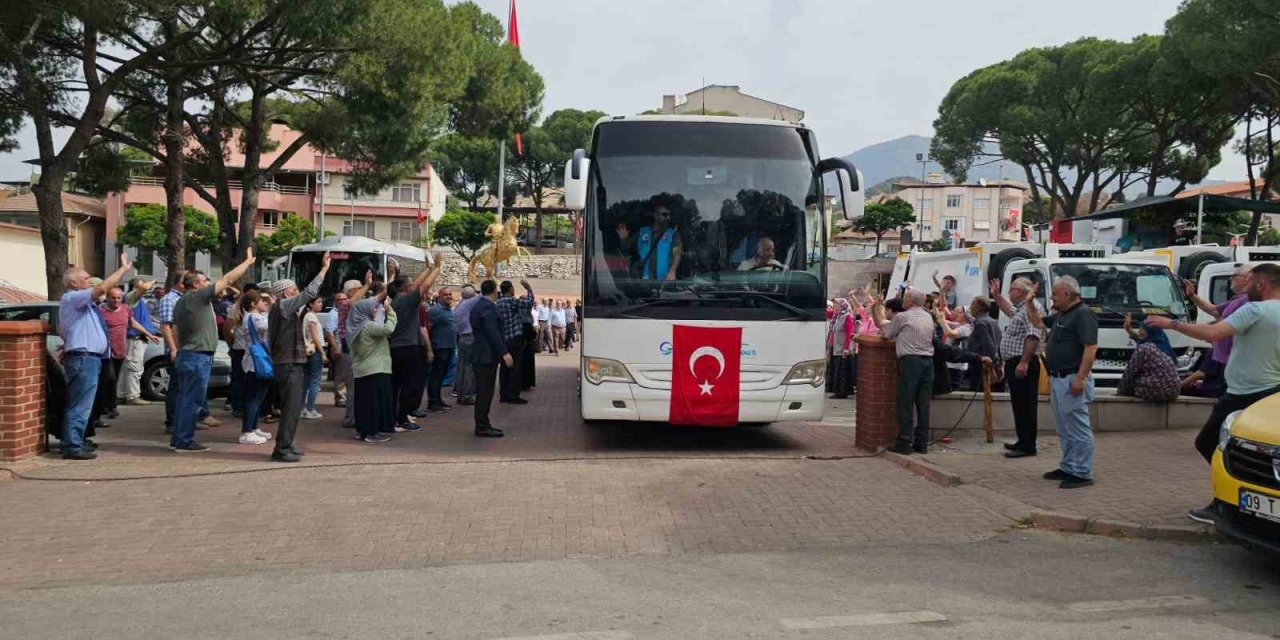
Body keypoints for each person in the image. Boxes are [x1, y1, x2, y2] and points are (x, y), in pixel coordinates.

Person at [1146, 263, 1280, 524]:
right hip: (1270, 393)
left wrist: (1171, 323)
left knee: (1208, 443)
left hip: (1244, 393)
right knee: (1259, 452)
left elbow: (1212, 333)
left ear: (1260, 284)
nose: (1243, 284)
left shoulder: (1255, 309)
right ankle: (1260, 503)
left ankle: (1225, 501)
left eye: (1248, 280)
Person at [170, 250, 256, 453]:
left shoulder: (183, 301)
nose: (208, 282)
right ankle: (184, 440)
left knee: (185, 398)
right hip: (197, 356)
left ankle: (179, 437)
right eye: (204, 280)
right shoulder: (197, 297)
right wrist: (247, 262)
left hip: (189, 354)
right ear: (197, 284)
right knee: (192, 400)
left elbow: (175, 329)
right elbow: (227, 279)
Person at [56, 254, 134, 460]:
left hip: (89, 358)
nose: (90, 281)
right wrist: (123, 270)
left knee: (84, 403)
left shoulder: (84, 304)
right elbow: (101, 289)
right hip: (84, 359)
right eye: (86, 278)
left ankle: (77, 440)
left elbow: (66, 328)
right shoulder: (73, 297)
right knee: (80, 404)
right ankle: (72, 445)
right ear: (73, 283)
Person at [1027, 276, 1099, 489]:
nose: (1051, 297)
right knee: (1064, 427)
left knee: (1077, 427)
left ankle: (1082, 471)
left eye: (1055, 294)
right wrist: (1030, 302)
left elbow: (1090, 348)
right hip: (1059, 378)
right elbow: (1037, 322)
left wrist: (1080, 378)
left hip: (1071, 378)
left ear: (1067, 294)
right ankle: (1068, 466)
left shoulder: (1083, 314)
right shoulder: (1063, 314)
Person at [265, 252, 331, 462]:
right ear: (285, 293)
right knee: (291, 407)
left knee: (293, 408)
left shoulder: (285, 309)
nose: (298, 293)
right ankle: (282, 449)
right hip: (287, 363)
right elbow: (309, 293)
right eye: (293, 290)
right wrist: (323, 269)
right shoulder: (284, 307)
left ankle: (287, 443)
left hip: (290, 362)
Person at [871, 289, 936, 455]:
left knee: (905, 403)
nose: (903, 301)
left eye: (905, 298)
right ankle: (922, 443)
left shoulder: (902, 317)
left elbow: (886, 333)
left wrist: (875, 309)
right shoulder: (928, 316)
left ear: (910, 301)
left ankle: (904, 442)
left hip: (910, 362)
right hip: (928, 362)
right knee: (923, 404)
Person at [386, 257, 443, 432]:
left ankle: (393, 417)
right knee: (411, 385)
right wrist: (437, 269)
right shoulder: (406, 300)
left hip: (397, 348)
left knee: (396, 385)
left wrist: (428, 268)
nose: (413, 285)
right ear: (405, 288)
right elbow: (423, 286)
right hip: (408, 348)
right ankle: (402, 418)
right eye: (410, 284)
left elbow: (417, 284)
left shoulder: (397, 300)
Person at [990, 277, 1044, 458]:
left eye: (1011, 289)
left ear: (1020, 292)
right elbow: (1011, 312)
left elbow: (1033, 336)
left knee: (1026, 406)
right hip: (1017, 363)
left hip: (1024, 363)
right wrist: (997, 297)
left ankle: (1028, 446)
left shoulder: (1031, 307)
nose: (1009, 292)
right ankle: (1023, 440)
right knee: (1019, 405)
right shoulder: (1022, 308)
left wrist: (1024, 362)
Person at [93, 286, 156, 424]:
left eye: (118, 298)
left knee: (113, 379)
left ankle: (108, 405)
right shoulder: (100, 310)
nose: (116, 300)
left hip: (120, 350)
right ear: (107, 298)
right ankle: (110, 407)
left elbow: (132, 323)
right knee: (108, 379)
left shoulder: (125, 309)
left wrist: (148, 333)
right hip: (105, 351)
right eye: (113, 297)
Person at [348, 292, 397, 443]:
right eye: (373, 308)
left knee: (363, 403)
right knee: (374, 404)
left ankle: (363, 430)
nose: (375, 310)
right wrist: (391, 312)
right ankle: (371, 433)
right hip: (375, 368)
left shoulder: (353, 326)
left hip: (362, 369)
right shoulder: (368, 326)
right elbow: (388, 330)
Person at [470, 279, 513, 437]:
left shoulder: (479, 305)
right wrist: (504, 352)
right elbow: (492, 331)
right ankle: (482, 425)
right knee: (485, 392)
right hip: (485, 356)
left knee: (484, 391)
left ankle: (483, 423)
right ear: (494, 291)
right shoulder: (487, 307)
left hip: (481, 354)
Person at [237, 291, 275, 445]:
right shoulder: (254, 318)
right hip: (255, 362)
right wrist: (273, 303)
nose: (265, 303)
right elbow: (272, 324)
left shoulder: (254, 317)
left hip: (255, 360)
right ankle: (246, 431)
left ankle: (253, 427)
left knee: (258, 397)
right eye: (262, 301)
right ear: (253, 304)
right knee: (253, 397)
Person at [616, 195, 682, 281]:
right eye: (664, 215)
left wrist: (673, 270)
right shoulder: (641, 232)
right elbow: (626, 250)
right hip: (644, 284)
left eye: (669, 215)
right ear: (655, 215)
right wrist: (624, 239)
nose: (668, 218)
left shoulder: (674, 234)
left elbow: (677, 252)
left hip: (665, 285)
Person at [1116, 314, 1180, 402]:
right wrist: (1128, 329)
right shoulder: (1161, 343)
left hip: (1159, 389)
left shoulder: (1144, 348)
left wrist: (1120, 390)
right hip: (1175, 391)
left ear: (1150, 331)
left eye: (1142, 329)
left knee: (1133, 382)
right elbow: (1141, 340)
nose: (1139, 331)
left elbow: (1130, 371)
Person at [338, 274, 374, 428]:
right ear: (351, 291)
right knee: (352, 386)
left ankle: (356, 415)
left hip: (359, 349)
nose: (363, 292)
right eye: (359, 290)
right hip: (350, 350)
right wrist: (366, 284)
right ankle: (351, 418)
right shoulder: (345, 303)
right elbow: (352, 302)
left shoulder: (359, 307)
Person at [120, 277, 160, 406]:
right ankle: (133, 396)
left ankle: (122, 394)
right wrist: (153, 281)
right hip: (134, 339)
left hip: (138, 338)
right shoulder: (131, 298)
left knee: (127, 369)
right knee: (134, 368)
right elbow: (144, 288)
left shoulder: (140, 301)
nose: (147, 290)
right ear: (135, 288)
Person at [224, 281, 261, 418]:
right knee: (239, 378)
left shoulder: (252, 309)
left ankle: (244, 405)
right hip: (240, 348)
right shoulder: (235, 308)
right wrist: (231, 344)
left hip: (247, 349)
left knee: (245, 379)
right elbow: (227, 329)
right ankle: (238, 406)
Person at [496, 279, 535, 404]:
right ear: (510, 289)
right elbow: (529, 303)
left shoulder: (497, 302)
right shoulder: (511, 301)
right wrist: (528, 288)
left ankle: (503, 394)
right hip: (515, 337)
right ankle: (513, 394)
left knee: (504, 367)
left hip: (503, 338)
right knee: (515, 367)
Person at [426, 288, 457, 413]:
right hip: (439, 347)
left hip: (449, 346)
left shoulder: (449, 310)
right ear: (439, 297)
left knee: (442, 375)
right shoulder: (435, 311)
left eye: (450, 294)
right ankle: (432, 402)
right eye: (445, 295)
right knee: (436, 375)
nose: (448, 296)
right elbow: (428, 327)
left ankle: (438, 400)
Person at [452, 284, 480, 406]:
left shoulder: (459, 307)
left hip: (462, 337)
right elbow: (482, 296)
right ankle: (468, 395)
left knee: (461, 367)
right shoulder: (470, 303)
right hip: (470, 337)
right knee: (470, 368)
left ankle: (460, 394)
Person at [301, 296, 328, 420]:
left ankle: (302, 408)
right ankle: (310, 408)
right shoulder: (311, 317)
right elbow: (315, 337)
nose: (321, 304)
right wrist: (322, 352)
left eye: (321, 301)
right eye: (318, 302)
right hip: (314, 350)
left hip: (310, 351)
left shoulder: (309, 316)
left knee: (307, 381)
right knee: (314, 381)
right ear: (311, 304)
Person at [828, 298, 855, 399]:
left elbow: (849, 333)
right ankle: (838, 390)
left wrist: (846, 347)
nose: (835, 306)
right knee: (837, 370)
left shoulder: (847, 316)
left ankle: (842, 391)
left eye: (837, 304)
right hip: (836, 346)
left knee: (842, 371)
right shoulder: (837, 316)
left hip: (843, 347)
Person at [322, 293, 343, 407]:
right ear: (335, 301)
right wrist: (335, 348)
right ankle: (340, 398)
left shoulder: (344, 311)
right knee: (340, 375)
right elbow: (329, 332)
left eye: (344, 299)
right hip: (338, 347)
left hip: (345, 347)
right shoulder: (333, 314)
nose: (342, 301)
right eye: (339, 299)